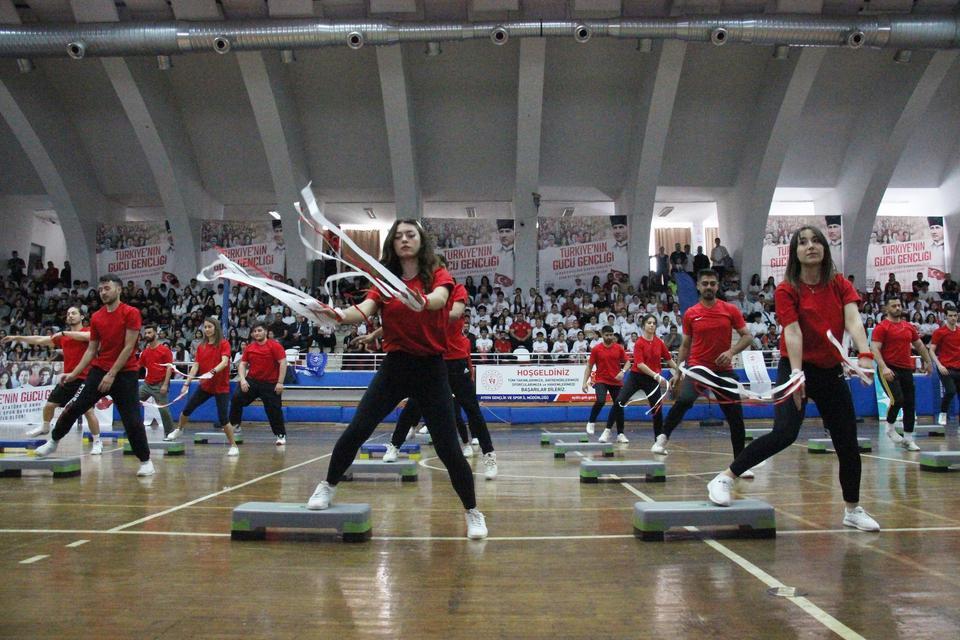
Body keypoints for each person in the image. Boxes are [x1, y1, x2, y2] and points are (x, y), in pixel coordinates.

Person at [306, 219, 487, 539]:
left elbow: (440, 300)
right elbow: (361, 310)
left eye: (411, 235)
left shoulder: (438, 275)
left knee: (449, 450)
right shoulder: (384, 282)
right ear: (392, 243)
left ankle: (473, 511)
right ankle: (328, 485)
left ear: (421, 241)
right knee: (357, 429)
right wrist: (335, 315)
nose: (404, 239)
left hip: (432, 370)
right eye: (399, 235)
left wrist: (421, 301)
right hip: (395, 367)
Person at [704, 226, 881, 532]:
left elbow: (853, 320)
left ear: (824, 248)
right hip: (795, 367)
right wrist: (797, 376)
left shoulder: (839, 284)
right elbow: (793, 332)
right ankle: (725, 478)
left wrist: (865, 353)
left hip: (830, 370)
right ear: (795, 253)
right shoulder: (788, 289)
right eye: (803, 243)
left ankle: (852, 509)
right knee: (785, 432)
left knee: (847, 442)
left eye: (816, 241)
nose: (810, 246)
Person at [34, 276, 154, 476]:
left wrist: (112, 373)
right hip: (99, 370)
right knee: (75, 407)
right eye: (100, 289)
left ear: (118, 290)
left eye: (107, 288)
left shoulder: (131, 313)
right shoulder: (97, 317)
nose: (103, 292)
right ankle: (53, 441)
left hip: (125, 372)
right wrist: (73, 374)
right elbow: (91, 351)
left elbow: (128, 347)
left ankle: (146, 461)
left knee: (132, 420)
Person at [651, 270, 752, 463]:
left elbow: (747, 336)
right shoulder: (691, 313)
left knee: (735, 415)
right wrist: (678, 371)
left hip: (723, 370)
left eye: (712, 283)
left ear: (717, 285)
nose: (708, 287)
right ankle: (662, 438)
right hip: (698, 367)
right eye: (705, 283)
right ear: (698, 286)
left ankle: (740, 463)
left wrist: (731, 352)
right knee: (684, 400)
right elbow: (686, 344)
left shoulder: (729, 310)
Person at [1, 307, 101, 452]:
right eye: (68, 314)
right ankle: (45, 426)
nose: (70, 316)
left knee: (88, 412)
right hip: (68, 379)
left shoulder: (87, 331)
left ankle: (97, 441)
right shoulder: (62, 337)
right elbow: (41, 340)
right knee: (49, 406)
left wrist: (64, 333)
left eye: (74, 313)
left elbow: (89, 338)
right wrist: (17, 338)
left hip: (86, 378)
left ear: (82, 316)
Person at [872, 298, 932, 451]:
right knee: (897, 399)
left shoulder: (908, 327)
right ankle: (890, 428)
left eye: (899, 305)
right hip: (889, 368)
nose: (897, 308)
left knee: (910, 404)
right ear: (887, 309)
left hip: (906, 369)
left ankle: (909, 439)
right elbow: (874, 348)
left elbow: (919, 345)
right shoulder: (882, 327)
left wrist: (928, 361)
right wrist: (884, 368)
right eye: (894, 306)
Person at [169, 318, 233, 450]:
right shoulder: (201, 347)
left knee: (223, 419)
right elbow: (195, 366)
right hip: (205, 386)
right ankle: (179, 429)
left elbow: (225, 362)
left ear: (216, 328)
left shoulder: (224, 344)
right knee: (186, 410)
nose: (207, 329)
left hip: (221, 388)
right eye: (205, 327)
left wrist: (213, 371)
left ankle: (233, 445)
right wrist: (186, 384)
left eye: (210, 327)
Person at [617, 314, 679, 446]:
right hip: (637, 377)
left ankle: (658, 442)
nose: (652, 325)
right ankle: (618, 432)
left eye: (654, 323)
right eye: (649, 323)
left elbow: (669, 360)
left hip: (652, 381)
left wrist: (679, 370)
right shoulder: (639, 342)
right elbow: (640, 364)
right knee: (619, 401)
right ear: (643, 325)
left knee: (657, 410)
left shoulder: (659, 343)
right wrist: (656, 376)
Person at [223, 322, 288, 448]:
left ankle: (280, 434)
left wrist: (280, 382)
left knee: (274, 410)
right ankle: (235, 425)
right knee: (237, 398)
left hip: (271, 383)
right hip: (252, 381)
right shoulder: (250, 347)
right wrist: (243, 380)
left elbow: (283, 363)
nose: (257, 333)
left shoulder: (275, 346)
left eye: (259, 330)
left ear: (265, 331)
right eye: (255, 331)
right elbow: (242, 364)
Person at [581, 325, 628, 443]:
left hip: (616, 381)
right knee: (601, 400)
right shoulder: (596, 349)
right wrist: (584, 382)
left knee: (619, 406)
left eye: (611, 335)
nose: (609, 337)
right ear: (602, 335)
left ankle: (620, 434)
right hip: (601, 380)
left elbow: (628, 362)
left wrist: (623, 371)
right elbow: (589, 366)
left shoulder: (619, 348)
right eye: (607, 335)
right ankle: (591, 422)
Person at [137, 325, 175, 439]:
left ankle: (169, 434)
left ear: (155, 334)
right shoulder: (145, 352)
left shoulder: (165, 350)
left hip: (160, 384)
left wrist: (165, 385)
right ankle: (133, 430)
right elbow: (139, 366)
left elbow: (169, 367)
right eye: (146, 333)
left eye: (149, 333)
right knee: (132, 403)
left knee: (163, 410)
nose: (147, 335)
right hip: (147, 384)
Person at [930, 306, 960, 427]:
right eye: (950, 316)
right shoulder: (939, 332)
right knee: (951, 391)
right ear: (946, 316)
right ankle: (943, 413)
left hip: (958, 366)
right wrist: (939, 365)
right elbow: (931, 350)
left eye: (955, 316)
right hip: (945, 367)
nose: (953, 318)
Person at [494, 219, 515, 288]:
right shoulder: (495, 253)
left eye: (507, 231)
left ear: (515, 233)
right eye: (501, 232)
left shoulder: (520, 253)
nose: (504, 235)